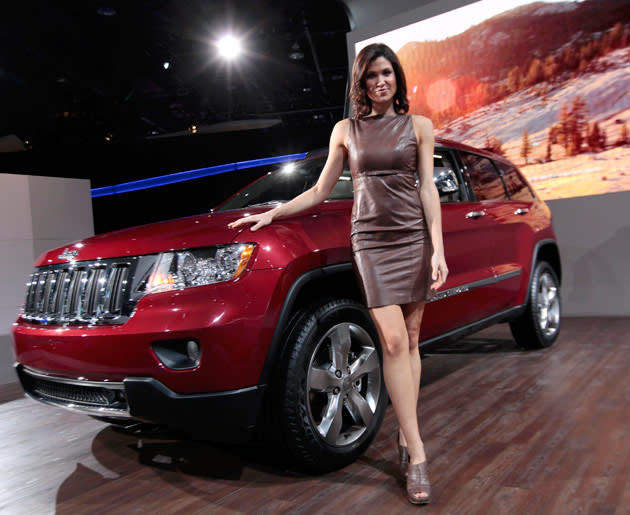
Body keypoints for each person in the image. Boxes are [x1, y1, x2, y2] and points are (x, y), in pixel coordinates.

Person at [228, 42, 447, 505]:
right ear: (362, 84)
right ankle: (419, 450)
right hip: (370, 240)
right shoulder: (345, 130)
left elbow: (428, 188)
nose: (381, 81)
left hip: (413, 237)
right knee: (389, 341)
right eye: (372, 76)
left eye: (387, 73)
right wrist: (273, 214)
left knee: (410, 337)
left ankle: (406, 437)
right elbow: (321, 190)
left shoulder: (420, 126)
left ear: (397, 78)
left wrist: (438, 249)